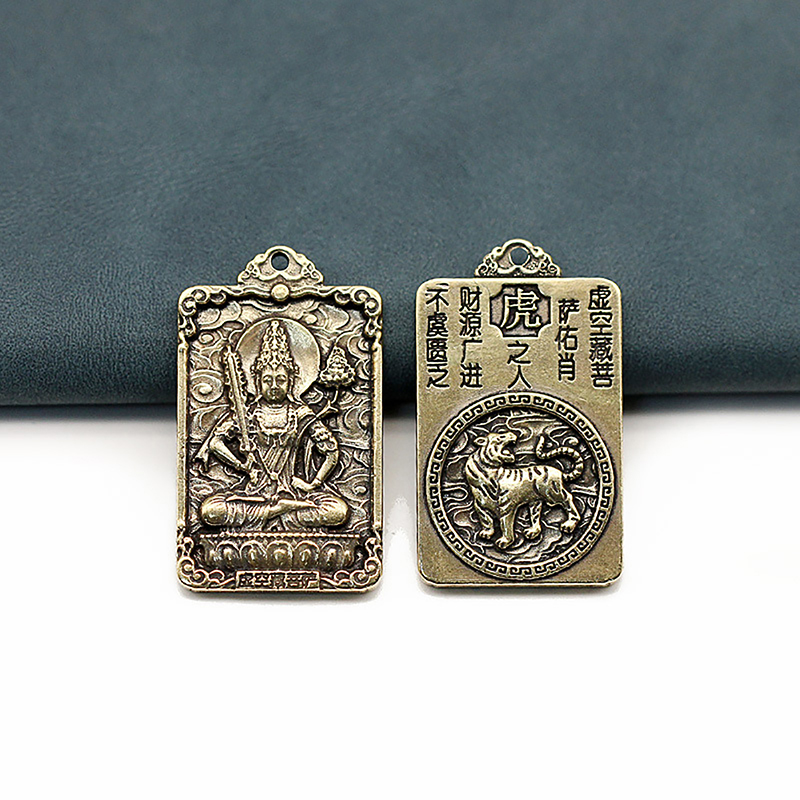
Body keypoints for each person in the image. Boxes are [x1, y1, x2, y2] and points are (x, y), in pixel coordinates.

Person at [197, 320, 349, 529]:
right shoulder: (248, 414)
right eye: (268, 380)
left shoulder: (300, 414)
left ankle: (276, 510)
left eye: (281, 379)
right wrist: (241, 465)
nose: (274, 386)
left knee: (338, 511)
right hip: (253, 495)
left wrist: (312, 484)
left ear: (291, 381)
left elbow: (332, 451)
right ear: (257, 381)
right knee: (211, 510)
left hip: (293, 492)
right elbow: (215, 443)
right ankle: (277, 510)